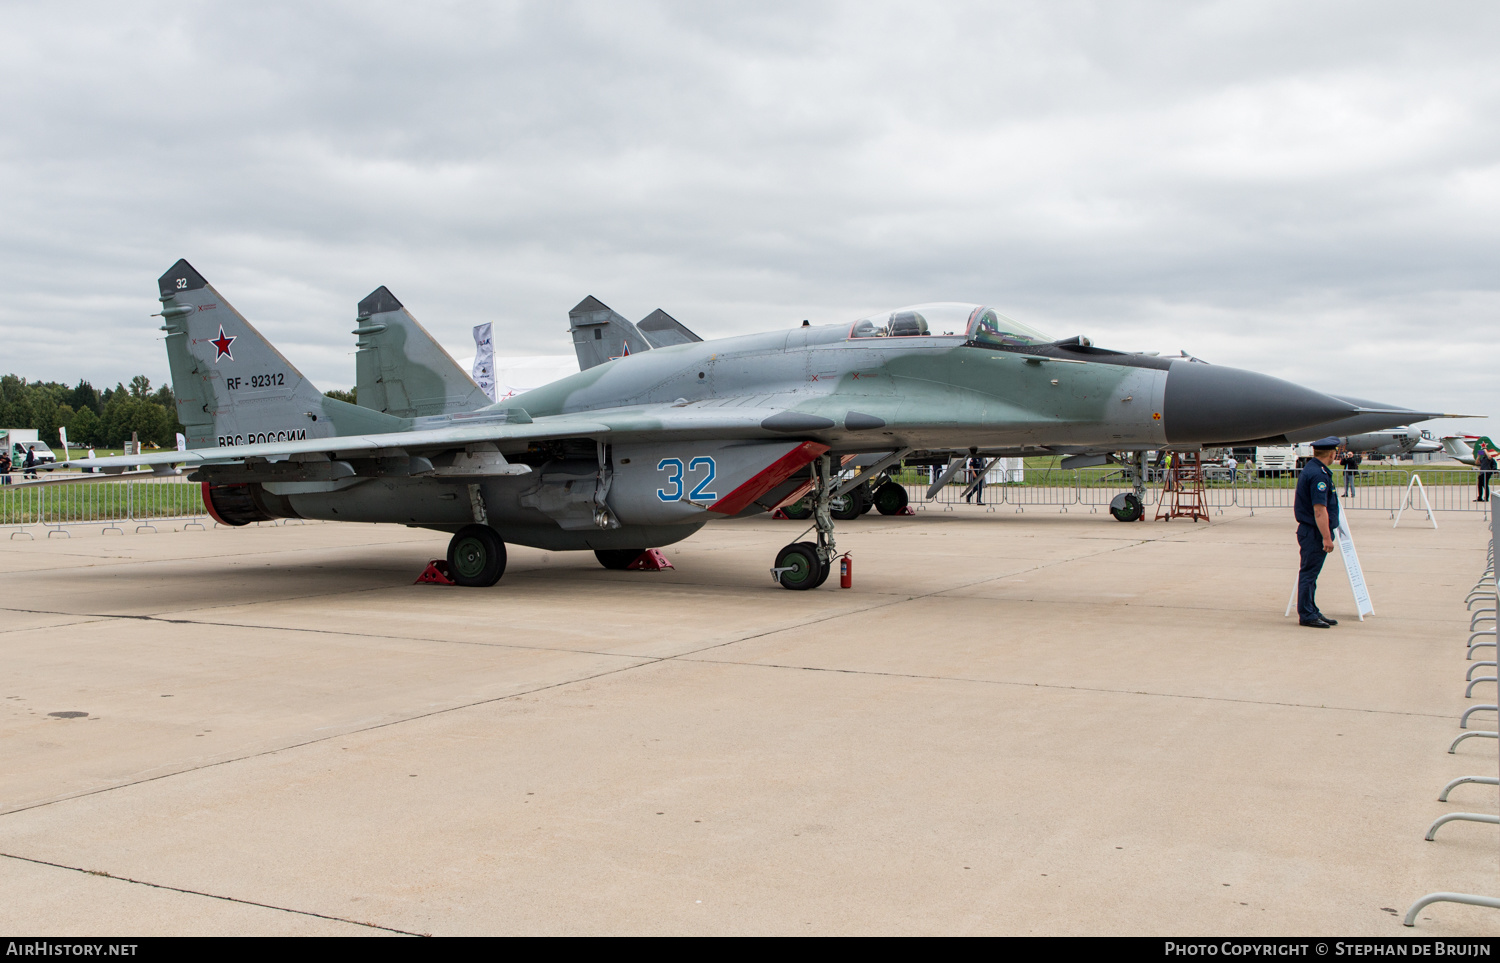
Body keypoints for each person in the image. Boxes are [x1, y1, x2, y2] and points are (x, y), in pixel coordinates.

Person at [1294, 437, 1343, 629]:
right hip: (1313, 532)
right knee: (1309, 574)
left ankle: (1311, 609)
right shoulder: (1318, 475)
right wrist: (1326, 537)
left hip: (1311, 531)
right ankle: (1306, 614)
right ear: (1332, 453)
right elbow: (1319, 510)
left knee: (1311, 574)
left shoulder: (1314, 470)